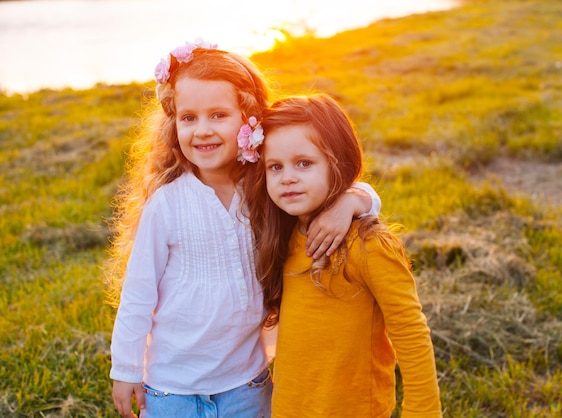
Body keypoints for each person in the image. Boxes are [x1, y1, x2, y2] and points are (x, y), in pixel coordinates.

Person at [105, 40, 380, 418]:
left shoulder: (267, 188)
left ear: (249, 119)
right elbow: (138, 295)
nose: (202, 130)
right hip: (173, 390)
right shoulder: (167, 204)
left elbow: (352, 191)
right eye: (189, 118)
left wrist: (350, 202)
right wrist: (126, 369)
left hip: (247, 385)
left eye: (218, 115)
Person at [243, 94, 442, 417]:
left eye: (304, 163)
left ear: (339, 163)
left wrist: (423, 411)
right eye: (275, 167)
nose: (288, 177)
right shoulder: (281, 236)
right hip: (289, 407)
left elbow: (410, 332)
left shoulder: (368, 245)